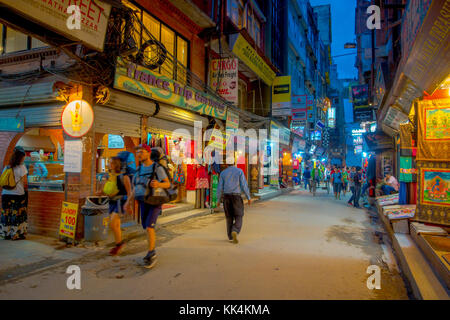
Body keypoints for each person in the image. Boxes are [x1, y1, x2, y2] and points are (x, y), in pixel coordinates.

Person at [125, 145, 171, 268]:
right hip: (142, 202)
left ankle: (152, 253)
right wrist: (128, 202)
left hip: (155, 201)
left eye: (141, 152)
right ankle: (150, 251)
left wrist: (158, 184)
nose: (138, 154)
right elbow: (135, 188)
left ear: (148, 153)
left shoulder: (157, 168)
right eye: (137, 152)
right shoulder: (138, 169)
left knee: (150, 227)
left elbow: (167, 184)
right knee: (146, 227)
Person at [102, 157, 132, 256]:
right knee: (115, 225)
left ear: (116, 164)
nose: (109, 165)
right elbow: (107, 189)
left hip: (120, 202)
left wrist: (129, 204)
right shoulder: (109, 175)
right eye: (109, 163)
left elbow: (129, 192)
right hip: (111, 202)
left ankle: (119, 244)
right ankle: (119, 244)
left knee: (113, 223)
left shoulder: (124, 176)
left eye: (111, 163)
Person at [217, 164, 252, 244]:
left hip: (226, 197)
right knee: (239, 215)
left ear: (226, 164)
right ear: (234, 163)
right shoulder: (239, 171)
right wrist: (248, 197)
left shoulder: (223, 173)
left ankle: (230, 237)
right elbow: (244, 185)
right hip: (236, 197)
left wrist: (218, 200)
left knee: (229, 217)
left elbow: (220, 188)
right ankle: (235, 230)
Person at [1, 147, 28, 240]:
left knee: (6, 213)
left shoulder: (7, 167)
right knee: (17, 214)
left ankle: (6, 233)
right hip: (18, 195)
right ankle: (16, 234)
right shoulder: (22, 167)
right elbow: (25, 183)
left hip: (5, 194)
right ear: (20, 158)